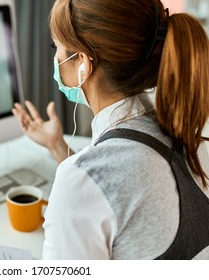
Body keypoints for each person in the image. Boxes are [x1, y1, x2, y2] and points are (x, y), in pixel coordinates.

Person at [11, 0, 209, 259]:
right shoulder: (195, 139)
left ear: (82, 63)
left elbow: (103, 185)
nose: (55, 58)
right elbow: (115, 185)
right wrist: (57, 145)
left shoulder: (79, 183)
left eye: (55, 47)